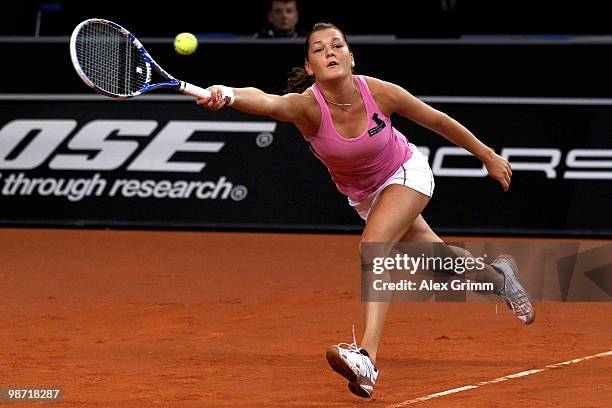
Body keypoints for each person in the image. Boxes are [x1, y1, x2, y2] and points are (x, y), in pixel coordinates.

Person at [196, 22, 535, 399]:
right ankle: (499, 278)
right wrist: (226, 94)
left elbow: (437, 120)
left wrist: (487, 155)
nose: (330, 52)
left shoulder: (377, 92)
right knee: (439, 262)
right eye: (319, 49)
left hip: (406, 173)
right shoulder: (307, 107)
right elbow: (267, 101)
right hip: (365, 196)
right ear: (309, 67)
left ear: (350, 56)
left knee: (373, 247)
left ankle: (367, 358)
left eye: (337, 45)